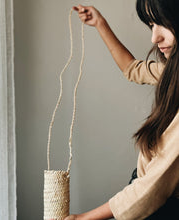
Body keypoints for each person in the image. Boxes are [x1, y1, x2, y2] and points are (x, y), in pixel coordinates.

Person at [62, 0, 179, 219]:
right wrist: (100, 23)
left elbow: (151, 189)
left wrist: (83, 218)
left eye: (164, 23)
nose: (155, 38)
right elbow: (132, 69)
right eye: (151, 25)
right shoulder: (172, 73)